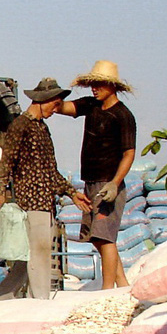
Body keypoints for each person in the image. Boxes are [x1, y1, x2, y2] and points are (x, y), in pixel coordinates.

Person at [0, 78, 93, 300]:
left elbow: (51, 171)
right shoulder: (21, 125)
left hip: (46, 201)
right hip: (30, 202)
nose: (56, 110)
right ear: (42, 100)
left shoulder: (42, 129)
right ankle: (40, 301)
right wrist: (0, 193)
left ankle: (2, 295)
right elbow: (6, 162)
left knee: (28, 256)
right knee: (39, 254)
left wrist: (71, 192)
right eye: (54, 104)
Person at [56, 61, 136, 290]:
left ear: (112, 86)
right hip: (90, 182)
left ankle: (107, 289)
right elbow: (66, 108)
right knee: (98, 238)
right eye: (92, 84)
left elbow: (129, 153)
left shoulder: (123, 115)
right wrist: (51, 97)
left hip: (108, 184)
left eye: (99, 84)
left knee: (105, 237)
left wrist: (115, 183)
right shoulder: (91, 106)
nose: (94, 88)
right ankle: (122, 283)